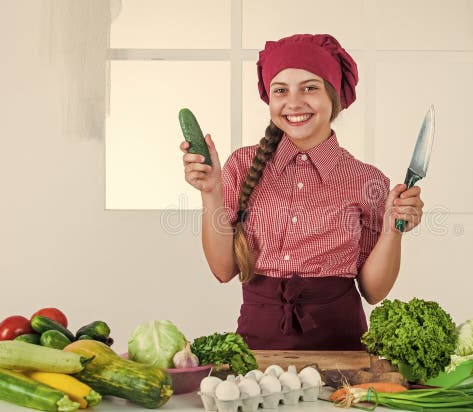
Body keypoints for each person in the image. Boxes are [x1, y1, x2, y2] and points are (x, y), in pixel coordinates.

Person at [180, 33, 424, 350]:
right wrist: (211, 192)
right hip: (257, 350)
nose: (294, 102)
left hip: (341, 350)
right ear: (270, 99)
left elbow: (373, 291)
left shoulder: (366, 180)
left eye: (309, 87)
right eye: (281, 90)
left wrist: (393, 230)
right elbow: (223, 270)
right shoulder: (242, 165)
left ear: (334, 98)